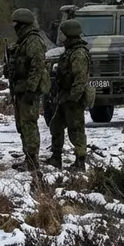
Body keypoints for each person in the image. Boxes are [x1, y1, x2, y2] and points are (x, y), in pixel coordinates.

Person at [6, 8, 48, 173]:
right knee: (22, 124)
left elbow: (36, 68)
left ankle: (32, 160)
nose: (15, 28)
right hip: (20, 88)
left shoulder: (33, 41)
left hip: (28, 90)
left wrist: (31, 90)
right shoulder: (22, 41)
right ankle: (28, 157)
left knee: (29, 124)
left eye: (17, 25)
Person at [46, 19, 90, 170]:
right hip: (65, 97)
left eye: (63, 34)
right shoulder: (69, 51)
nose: (61, 37)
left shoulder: (78, 54)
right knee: (56, 126)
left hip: (72, 99)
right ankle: (56, 157)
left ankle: (80, 161)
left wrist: (73, 98)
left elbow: (80, 78)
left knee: (76, 130)